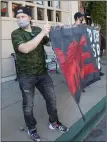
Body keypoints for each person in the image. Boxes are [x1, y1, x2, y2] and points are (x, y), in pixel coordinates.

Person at [11, 6, 68, 142]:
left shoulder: (36, 30)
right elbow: (25, 49)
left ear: (30, 18)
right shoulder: (16, 34)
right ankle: (32, 129)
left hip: (42, 73)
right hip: (26, 76)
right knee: (28, 106)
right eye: (18, 18)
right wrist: (43, 33)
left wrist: (58, 31)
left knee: (52, 99)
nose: (20, 20)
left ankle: (54, 122)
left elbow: (50, 44)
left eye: (23, 16)